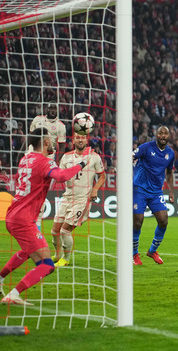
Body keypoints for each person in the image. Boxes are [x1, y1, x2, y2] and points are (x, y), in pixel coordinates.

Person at [0, 128, 89, 305]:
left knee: (27, 252)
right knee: (47, 265)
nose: (55, 143)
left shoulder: (26, 159)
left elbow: (18, 178)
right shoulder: (45, 162)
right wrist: (81, 164)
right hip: (23, 219)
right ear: (46, 143)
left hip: (13, 214)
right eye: (52, 140)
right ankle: (14, 295)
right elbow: (61, 176)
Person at [51, 134, 106, 267]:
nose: (80, 140)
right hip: (67, 197)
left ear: (86, 139)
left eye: (82, 137)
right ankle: (57, 255)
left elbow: (102, 177)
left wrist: (95, 189)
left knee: (65, 231)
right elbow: (60, 177)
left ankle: (65, 259)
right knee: (55, 231)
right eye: (77, 138)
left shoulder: (94, 157)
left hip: (83, 199)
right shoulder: (66, 157)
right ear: (73, 140)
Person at [132, 126, 175, 265]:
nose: (163, 135)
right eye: (160, 133)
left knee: (163, 220)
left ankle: (152, 251)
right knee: (138, 220)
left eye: (165, 133)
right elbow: (131, 156)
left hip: (156, 191)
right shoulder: (146, 147)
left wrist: (171, 191)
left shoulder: (170, 153)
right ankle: (134, 254)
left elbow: (169, 173)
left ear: (168, 136)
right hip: (140, 188)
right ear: (156, 135)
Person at [29, 103, 67, 229]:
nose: (52, 110)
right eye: (50, 108)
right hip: (32, 155)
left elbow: (61, 146)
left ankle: (37, 224)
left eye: (54, 108)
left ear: (57, 110)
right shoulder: (37, 119)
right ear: (46, 109)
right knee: (29, 189)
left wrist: (57, 162)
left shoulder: (60, 126)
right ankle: (29, 220)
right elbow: (30, 138)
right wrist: (22, 154)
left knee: (40, 192)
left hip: (47, 158)